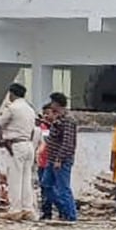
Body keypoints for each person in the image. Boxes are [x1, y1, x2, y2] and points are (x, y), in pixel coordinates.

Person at [0, 83, 39, 220]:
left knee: (15, 178)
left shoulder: (12, 108)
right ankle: (28, 208)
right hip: (28, 144)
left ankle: (15, 209)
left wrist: (1, 140)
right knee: (27, 178)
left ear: (12, 94)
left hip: (15, 145)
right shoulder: (30, 109)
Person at [41, 92, 78, 221]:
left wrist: (59, 159)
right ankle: (63, 209)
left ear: (56, 103)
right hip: (51, 159)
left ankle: (71, 215)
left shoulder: (68, 120)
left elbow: (68, 142)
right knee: (46, 184)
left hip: (60, 160)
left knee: (63, 188)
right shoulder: (59, 118)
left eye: (52, 103)